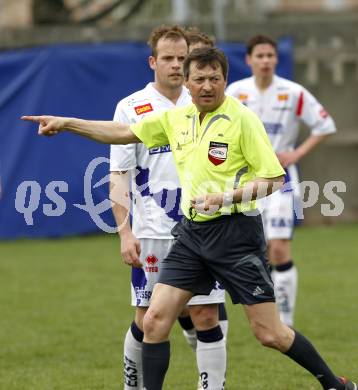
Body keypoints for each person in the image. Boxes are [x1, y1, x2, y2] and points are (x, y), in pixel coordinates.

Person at [22, 48, 356, 390]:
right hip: (193, 234)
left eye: (215, 78)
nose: (207, 86)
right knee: (154, 321)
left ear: (225, 80)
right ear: (188, 82)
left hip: (236, 235)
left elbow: (274, 178)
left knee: (269, 333)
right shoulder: (177, 118)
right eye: (199, 79)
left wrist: (224, 197)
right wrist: (67, 124)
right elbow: (122, 133)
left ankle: (335, 384)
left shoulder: (242, 119)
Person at [109, 26, 227, 390]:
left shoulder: (205, 103)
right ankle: (134, 385)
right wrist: (125, 232)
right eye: (168, 58)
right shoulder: (132, 108)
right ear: (153, 62)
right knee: (148, 319)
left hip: (205, 228)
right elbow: (118, 175)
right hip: (153, 233)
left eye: (182, 58)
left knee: (206, 314)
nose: (176, 65)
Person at [226, 34, 337, 327]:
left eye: (270, 56)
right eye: (259, 56)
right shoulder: (235, 93)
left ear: (276, 59)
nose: (265, 61)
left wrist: (298, 152)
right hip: (247, 180)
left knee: (278, 248)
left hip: (281, 179)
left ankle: (285, 319)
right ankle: (264, 311)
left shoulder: (293, 93)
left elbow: (325, 125)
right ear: (249, 60)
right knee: (255, 250)